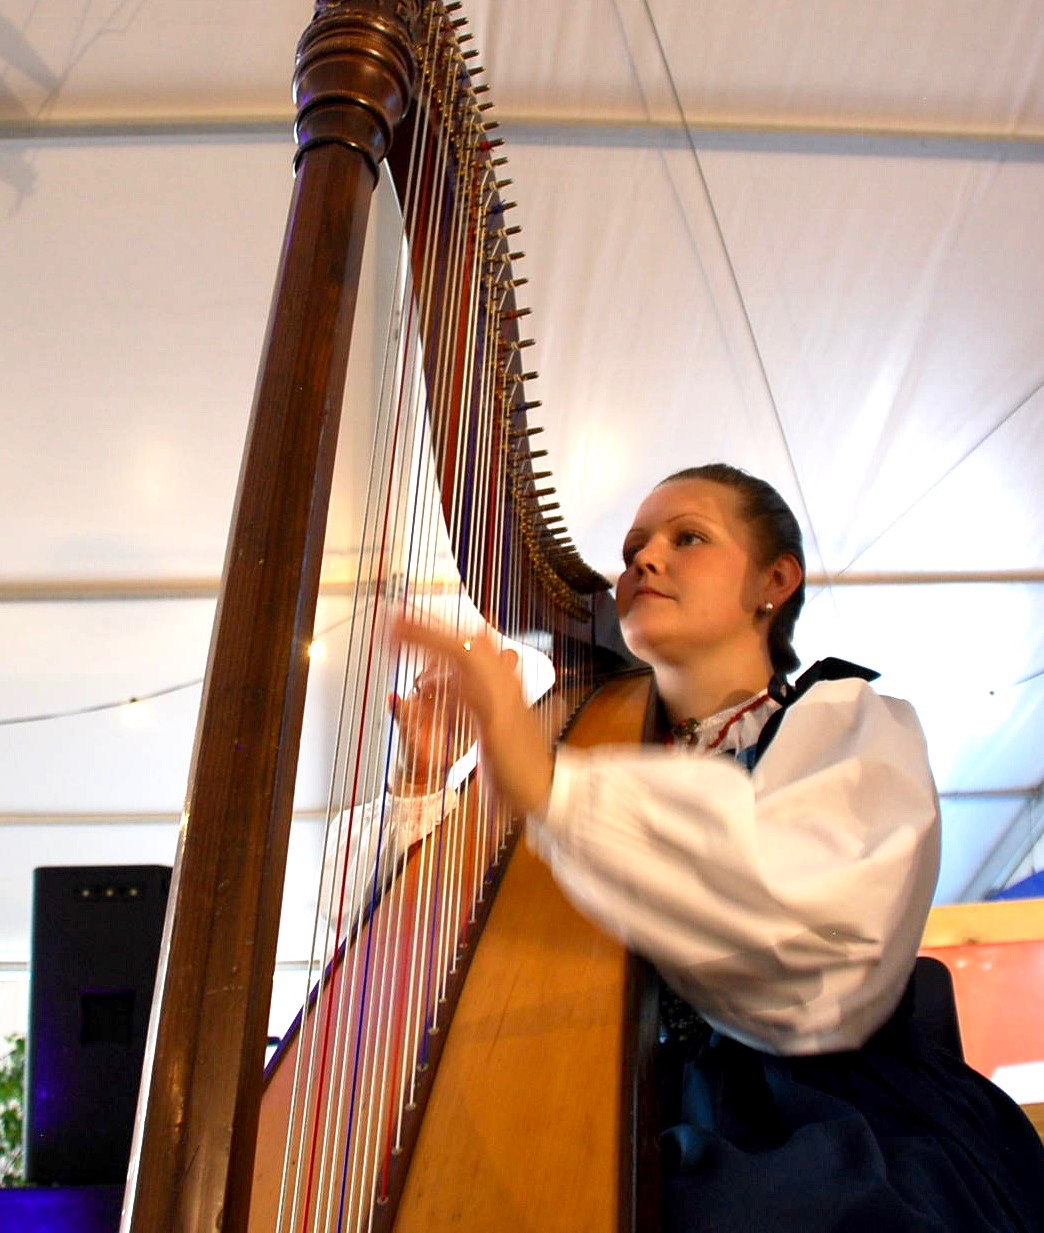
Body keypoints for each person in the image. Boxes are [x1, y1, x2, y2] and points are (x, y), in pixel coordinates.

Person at [389, 462, 1044, 1232]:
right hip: (617, 1102)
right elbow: (436, 958)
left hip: (823, 1127)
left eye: (687, 538)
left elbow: (821, 922)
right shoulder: (588, 757)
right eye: (633, 549)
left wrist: (550, 789)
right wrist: (426, 782)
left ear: (775, 580)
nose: (645, 558)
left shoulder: (849, 721)